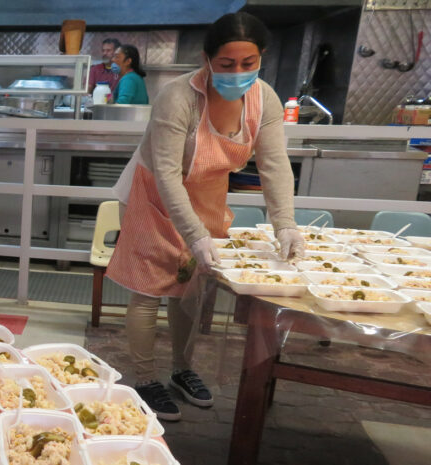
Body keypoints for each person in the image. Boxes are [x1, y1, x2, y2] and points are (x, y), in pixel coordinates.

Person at [107, 12, 304, 422]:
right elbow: (164, 172)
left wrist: (286, 223)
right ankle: (144, 378)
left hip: (208, 191)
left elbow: (274, 163)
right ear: (207, 59)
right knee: (149, 287)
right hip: (156, 192)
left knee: (192, 288)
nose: (238, 73)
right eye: (227, 64)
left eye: (248, 64)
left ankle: (182, 369)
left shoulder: (263, 98)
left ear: (260, 58)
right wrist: (194, 235)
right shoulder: (178, 98)